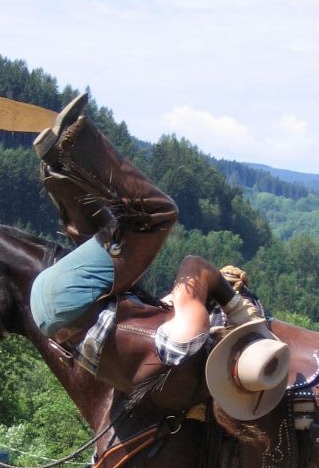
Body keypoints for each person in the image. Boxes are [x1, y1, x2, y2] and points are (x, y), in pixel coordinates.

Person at [31, 93, 253, 363]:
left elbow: (193, 269)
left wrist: (237, 312)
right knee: (109, 229)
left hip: (60, 300)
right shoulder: (165, 336)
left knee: (158, 214)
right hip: (47, 304)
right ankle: (60, 158)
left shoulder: (186, 333)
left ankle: (68, 147)